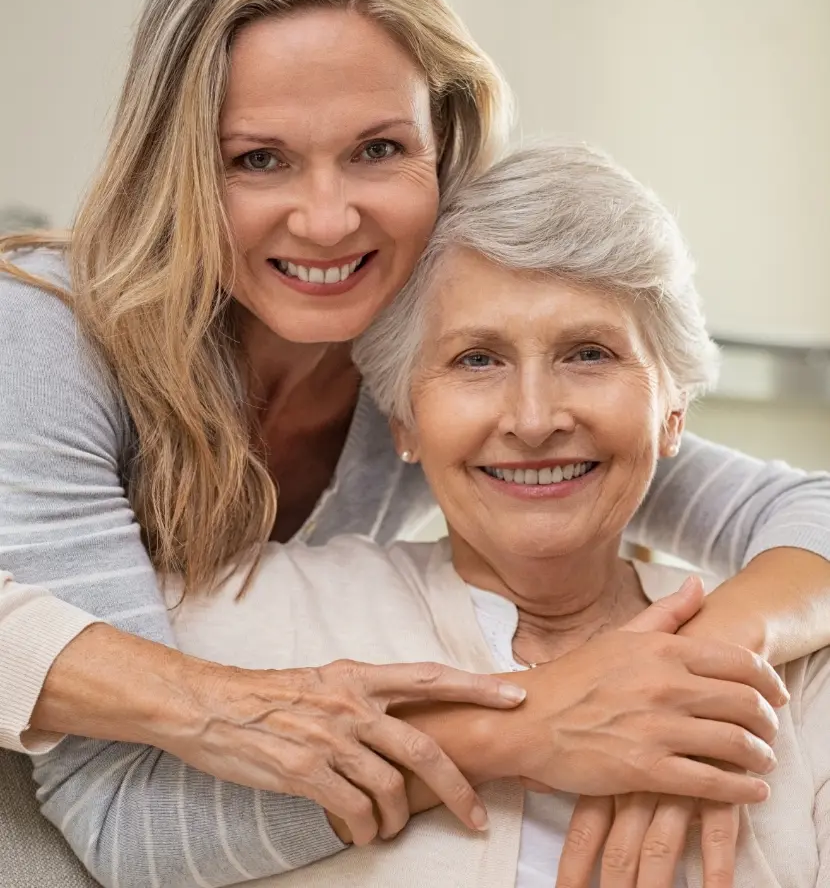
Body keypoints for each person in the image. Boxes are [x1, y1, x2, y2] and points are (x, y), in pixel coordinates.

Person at [0, 0, 829, 884]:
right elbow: (123, 817)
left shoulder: (423, 352)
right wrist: (529, 723)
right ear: (177, 160)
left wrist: (686, 681)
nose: (327, 218)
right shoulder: (46, 333)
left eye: (377, 149)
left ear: (446, 139)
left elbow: (791, 509)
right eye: (258, 159)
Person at [153, 142, 829, 888]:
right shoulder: (250, 614)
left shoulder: (802, 674)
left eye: (589, 354)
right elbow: (128, 839)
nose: (534, 420)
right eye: (477, 360)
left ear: (673, 412)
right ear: (404, 420)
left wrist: (698, 667)